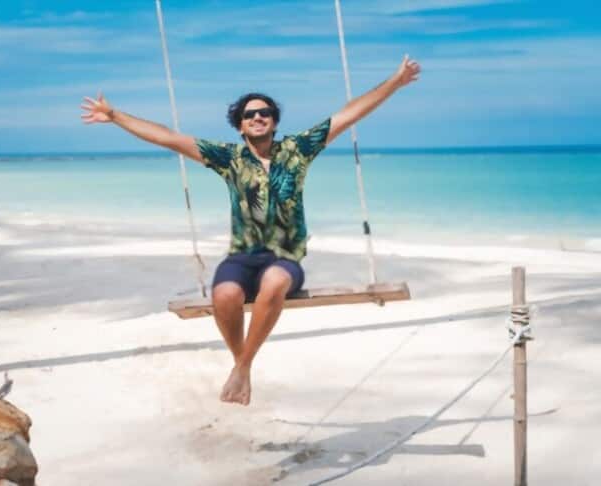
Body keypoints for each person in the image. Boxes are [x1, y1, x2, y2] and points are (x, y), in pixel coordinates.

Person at [81, 55, 420, 406]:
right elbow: (169, 138)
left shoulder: (297, 150)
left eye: (265, 113)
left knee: (273, 284)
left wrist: (395, 81)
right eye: (249, 115)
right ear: (240, 126)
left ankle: (242, 368)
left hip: (284, 258)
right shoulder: (229, 158)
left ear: (273, 122)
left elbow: (350, 114)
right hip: (242, 258)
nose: (257, 117)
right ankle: (241, 365)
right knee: (225, 295)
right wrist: (116, 116)